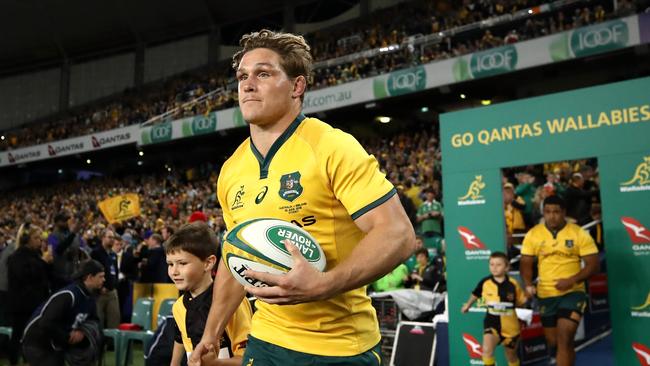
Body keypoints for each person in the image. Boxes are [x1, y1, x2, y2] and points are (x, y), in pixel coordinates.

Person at [191, 29, 415, 366]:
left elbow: (398, 234)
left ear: (297, 86)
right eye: (242, 76)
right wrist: (211, 333)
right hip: (265, 341)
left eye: (263, 73)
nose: (247, 84)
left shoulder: (332, 146)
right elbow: (236, 257)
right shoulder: (232, 170)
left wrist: (323, 284)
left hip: (339, 349)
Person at [520, 196, 600, 366]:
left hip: (573, 293)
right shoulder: (533, 234)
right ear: (543, 213)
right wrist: (527, 284)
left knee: (565, 337)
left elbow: (593, 265)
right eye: (548, 212)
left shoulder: (578, 233)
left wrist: (572, 280)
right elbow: (525, 263)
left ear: (564, 212)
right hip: (546, 295)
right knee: (555, 342)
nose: (552, 216)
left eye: (556, 212)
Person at [166, 222, 252, 366]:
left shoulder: (233, 303)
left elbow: (250, 359)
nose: (174, 271)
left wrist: (217, 363)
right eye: (170, 264)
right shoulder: (179, 306)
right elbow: (181, 340)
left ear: (208, 263)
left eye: (182, 263)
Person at [22, 259, 105, 366]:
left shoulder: (89, 297)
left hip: (55, 342)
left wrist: (83, 333)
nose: (104, 280)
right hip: (37, 342)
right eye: (101, 276)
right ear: (89, 277)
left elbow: (94, 320)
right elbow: (45, 323)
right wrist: (67, 337)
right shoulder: (69, 295)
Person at [461, 252, 527, 366]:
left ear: (507, 267)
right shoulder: (485, 282)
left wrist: (527, 299)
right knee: (487, 350)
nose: (494, 268)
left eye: (498, 265)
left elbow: (521, 302)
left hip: (511, 326)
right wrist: (468, 305)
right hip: (491, 323)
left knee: (511, 357)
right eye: (491, 264)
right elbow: (476, 294)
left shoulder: (513, 284)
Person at [7, 221, 51, 366]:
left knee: (33, 340)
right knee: (18, 337)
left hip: (35, 305)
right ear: (27, 239)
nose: (40, 241)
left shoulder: (35, 256)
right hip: (22, 306)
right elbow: (25, 276)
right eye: (37, 238)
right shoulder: (17, 257)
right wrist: (43, 262)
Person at [90, 228, 120, 329]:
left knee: (114, 319)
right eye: (109, 237)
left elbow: (115, 272)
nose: (112, 239)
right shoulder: (95, 253)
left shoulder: (113, 255)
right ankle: (99, 342)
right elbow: (93, 271)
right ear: (103, 238)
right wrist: (99, 287)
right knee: (99, 319)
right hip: (99, 292)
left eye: (113, 237)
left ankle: (111, 344)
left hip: (112, 292)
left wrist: (114, 285)